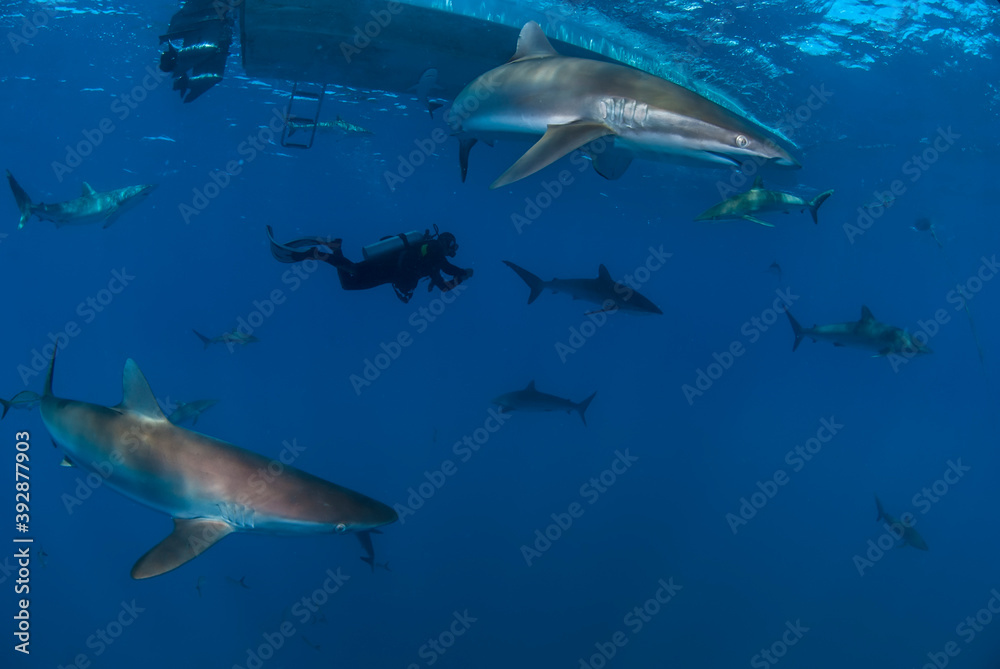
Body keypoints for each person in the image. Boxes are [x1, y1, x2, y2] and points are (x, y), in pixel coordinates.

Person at [265, 226, 473, 303]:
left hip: (391, 264)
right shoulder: (435, 252)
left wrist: (459, 278)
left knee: (349, 280)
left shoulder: (431, 258)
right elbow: (447, 277)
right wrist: (464, 273)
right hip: (394, 271)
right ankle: (317, 254)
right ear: (447, 244)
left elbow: (444, 287)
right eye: (452, 246)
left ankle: (335, 250)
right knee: (351, 275)